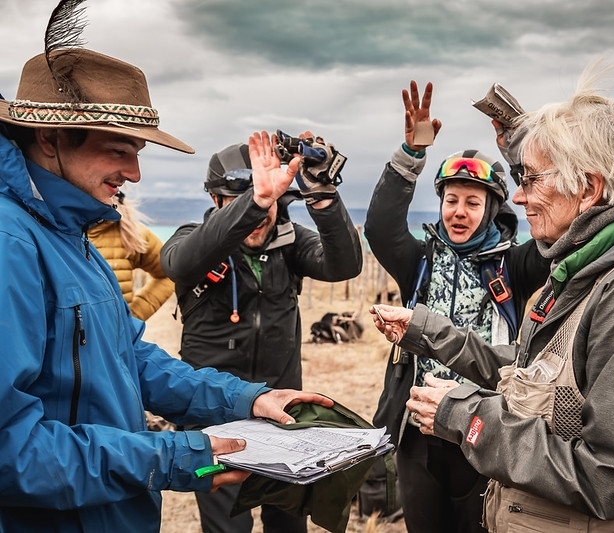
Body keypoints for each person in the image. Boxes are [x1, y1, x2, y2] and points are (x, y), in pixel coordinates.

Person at [370, 62, 614, 532]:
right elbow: (532, 370)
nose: (521, 197)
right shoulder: (589, 270)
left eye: (530, 179)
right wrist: (425, 330)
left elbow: (608, 477)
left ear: (588, 188)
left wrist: (468, 416)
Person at [0, 22, 333, 533]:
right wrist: (177, 456)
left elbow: (131, 359)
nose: (134, 173)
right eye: (118, 150)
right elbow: (11, 451)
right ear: (49, 138)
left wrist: (247, 399)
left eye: (138, 152)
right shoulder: (12, 245)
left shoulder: (70, 235)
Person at [363, 81, 550, 533]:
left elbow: (556, 236)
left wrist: (519, 150)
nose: (458, 212)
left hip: (485, 428)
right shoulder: (420, 261)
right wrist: (410, 153)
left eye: (472, 202)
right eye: (451, 200)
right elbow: (380, 228)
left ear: (491, 209)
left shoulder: (516, 263)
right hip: (419, 430)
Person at [160, 136, 363, 532]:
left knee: (288, 522)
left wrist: (323, 195)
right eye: (244, 202)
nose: (258, 216)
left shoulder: (290, 243)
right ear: (217, 202)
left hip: (281, 412)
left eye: (268, 204)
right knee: (226, 527)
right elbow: (180, 265)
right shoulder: (191, 240)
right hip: (211, 414)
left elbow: (344, 265)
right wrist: (252, 205)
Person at [88, 189, 174, 322]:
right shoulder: (50, 232)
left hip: (117, 340)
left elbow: (169, 273)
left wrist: (134, 317)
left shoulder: (130, 233)